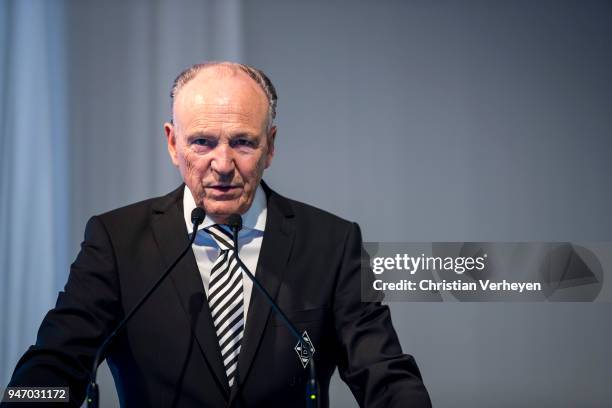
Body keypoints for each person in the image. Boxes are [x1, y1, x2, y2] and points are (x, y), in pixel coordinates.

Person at [4, 62, 431, 407]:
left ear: (271, 145)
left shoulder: (332, 244)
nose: (223, 164)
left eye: (243, 142)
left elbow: (383, 372)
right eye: (203, 142)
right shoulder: (117, 241)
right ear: (173, 144)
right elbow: (55, 364)